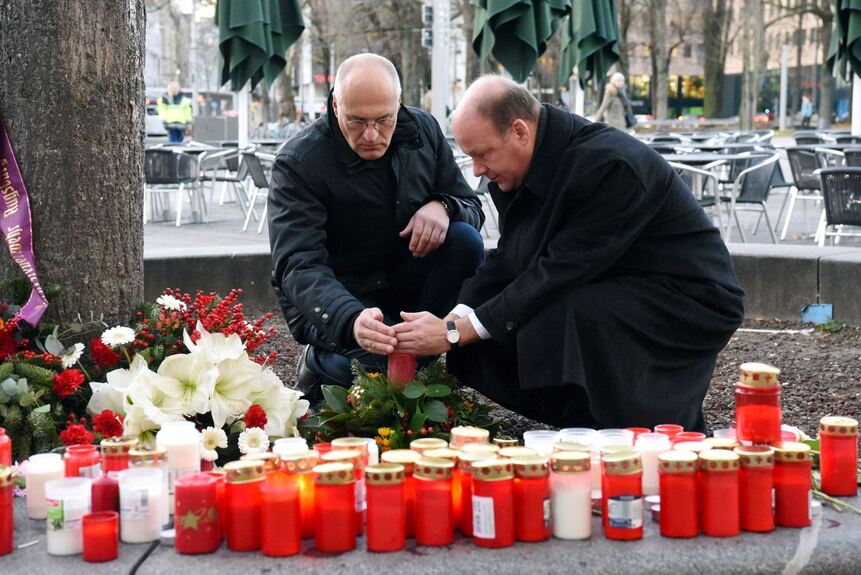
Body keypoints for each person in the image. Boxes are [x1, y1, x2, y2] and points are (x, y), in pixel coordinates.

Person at [393, 76, 745, 432]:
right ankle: (584, 421)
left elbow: (555, 273)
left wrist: (457, 333)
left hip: (692, 299)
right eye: (470, 158)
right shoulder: (514, 170)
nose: (479, 171)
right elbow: (512, 260)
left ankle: (649, 430)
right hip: (610, 282)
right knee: (489, 333)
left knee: (565, 312)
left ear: (519, 131)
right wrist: (452, 321)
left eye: (482, 154)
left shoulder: (610, 167)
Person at [268, 53, 485, 400]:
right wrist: (351, 319)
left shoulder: (423, 131)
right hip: (338, 299)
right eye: (356, 121)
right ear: (336, 106)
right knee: (378, 368)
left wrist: (444, 206)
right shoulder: (298, 163)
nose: (371, 134)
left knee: (465, 239)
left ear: (399, 105)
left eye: (384, 120)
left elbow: (472, 207)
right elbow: (298, 265)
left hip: (402, 285)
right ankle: (320, 364)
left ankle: (415, 358)